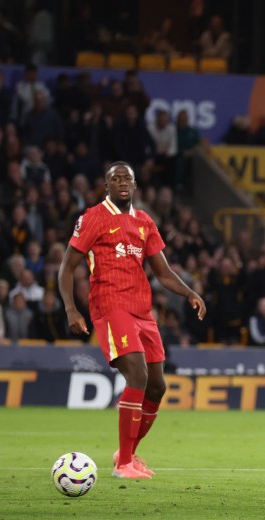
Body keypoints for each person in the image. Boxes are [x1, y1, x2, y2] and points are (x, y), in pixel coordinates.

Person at [58, 162, 206, 479]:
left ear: (135, 185)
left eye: (127, 178)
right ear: (106, 185)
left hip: (142, 309)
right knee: (136, 374)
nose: (122, 182)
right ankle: (124, 464)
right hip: (111, 305)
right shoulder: (93, 217)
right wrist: (71, 309)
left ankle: (127, 453)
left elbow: (163, 273)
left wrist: (190, 292)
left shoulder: (144, 222)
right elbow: (66, 267)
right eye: (116, 178)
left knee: (157, 386)